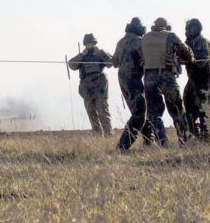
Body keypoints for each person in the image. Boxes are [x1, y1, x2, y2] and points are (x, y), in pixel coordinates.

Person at [141, 17, 194, 146]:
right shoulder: (170, 36)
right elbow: (186, 53)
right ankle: (184, 140)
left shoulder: (144, 38)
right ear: (166, 26)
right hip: (167, 77)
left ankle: (162, 143)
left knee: (154, 113)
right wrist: (190, 58)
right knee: (176, 110)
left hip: (149, 78)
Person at [111, 17, 154, 150]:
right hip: (134, 80)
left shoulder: (120, 42)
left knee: (140, 111)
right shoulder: (139, 42)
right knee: (140, 113)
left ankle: (149, 143)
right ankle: (122, 146)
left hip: (123, 81)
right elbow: (146, 60)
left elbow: (114, 62)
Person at [69, 34, 113, 135]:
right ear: (85, 44)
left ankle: (109, 134)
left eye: (92, 43)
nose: (90, 45)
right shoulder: (82, 56)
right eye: (88, 43)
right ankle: (97, 135)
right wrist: (81, 55)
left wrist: (101, 53)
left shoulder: (100, 53)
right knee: (91, 112)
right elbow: (71, 65)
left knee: (103, 111)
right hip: (87, 87)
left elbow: (111, 63)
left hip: (100, 86)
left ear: (94, 43)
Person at [182, 18, 210, 144]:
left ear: (196, 29)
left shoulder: (204, 42)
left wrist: (188, 58)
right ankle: (194, 138)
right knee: (188, 112)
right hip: (193, 81)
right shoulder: (187, 44)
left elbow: (202, 62)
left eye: (188, 29)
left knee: (205, 112)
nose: (186, 32)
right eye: (185, 29)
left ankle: (205, 142)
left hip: (205, 82)